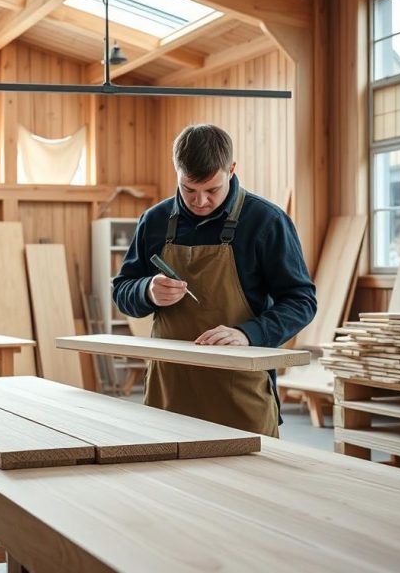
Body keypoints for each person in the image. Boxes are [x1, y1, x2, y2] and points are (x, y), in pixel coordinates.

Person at [112, 124, 316, 437]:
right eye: (188, 189)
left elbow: (301, 301)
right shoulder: (154, 220)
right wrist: (147, 291)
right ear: (177, 172)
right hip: (170, 390)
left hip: (239, 392)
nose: (200, 201)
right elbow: (122, 289)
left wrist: (249, 334)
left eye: (212, 190)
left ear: (231, 170)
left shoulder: (265, 221)